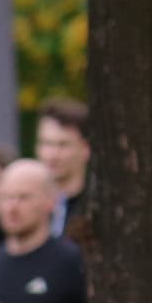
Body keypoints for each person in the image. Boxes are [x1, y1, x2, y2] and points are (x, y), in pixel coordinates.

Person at [0, 160, 89, 303]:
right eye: (6, 197)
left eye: (24, 197)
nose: (12, 207)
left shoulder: (71, 261)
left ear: (50, 201)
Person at [35, 98, 90, 240]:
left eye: (63, 145)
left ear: (85, 148)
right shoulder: (27, 208)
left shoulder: (95, 210)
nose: (52, 155)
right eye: (46, 143)